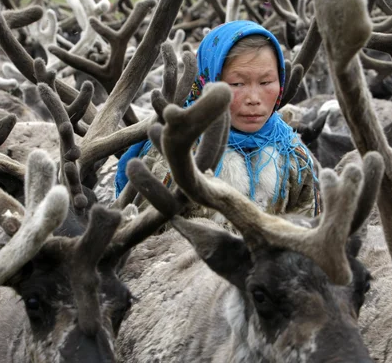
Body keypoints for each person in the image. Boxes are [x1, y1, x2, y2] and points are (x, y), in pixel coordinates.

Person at [114, 20, 320, 219]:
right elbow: (147, 242)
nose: (254, 99)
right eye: (237, 84)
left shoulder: (293, 155)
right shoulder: (175, 154)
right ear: (208, 81)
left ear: (281, 81)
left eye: (266, 82)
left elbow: (308, 229)